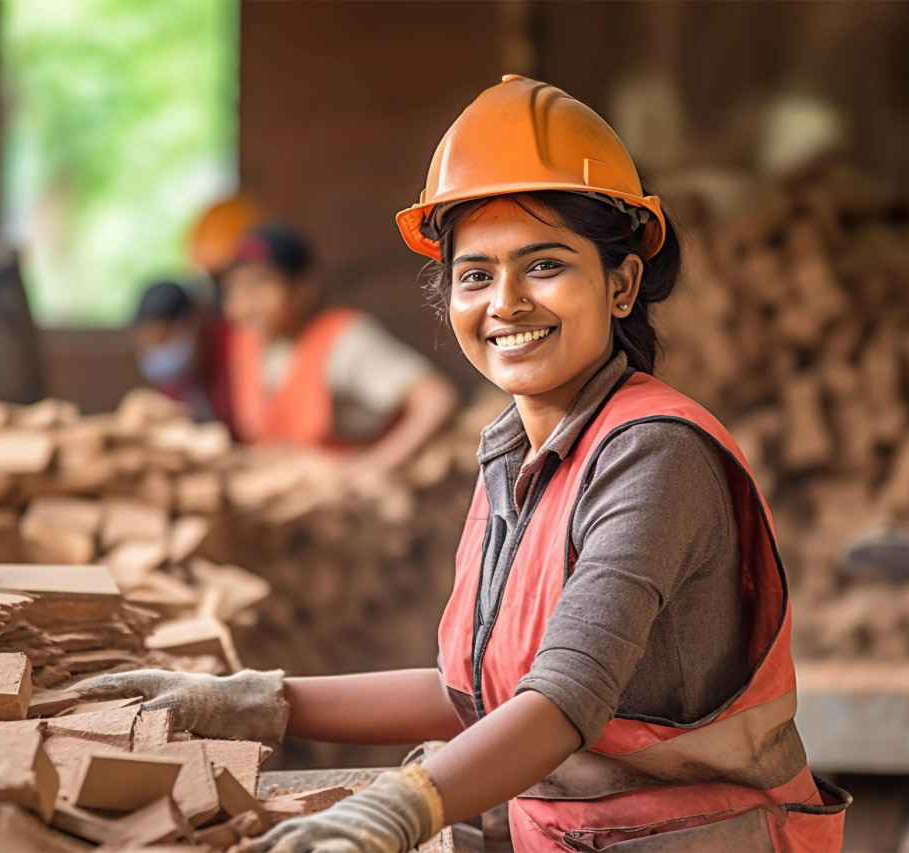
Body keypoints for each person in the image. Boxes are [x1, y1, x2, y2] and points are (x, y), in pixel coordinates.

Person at [76, 76, 851, 851]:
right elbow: (477, 695)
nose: (504, 302)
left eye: (544, 265)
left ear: (622, 284)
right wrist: (248, 699)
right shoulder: (518, 451)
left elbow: (557, 702)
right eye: (475, 274)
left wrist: (396, 808)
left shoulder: (655, 453)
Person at [219, 224, 459, 475]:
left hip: (345, 499)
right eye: (234, 289)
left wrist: (372, 468)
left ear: (304, 287)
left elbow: (436, 400)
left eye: (260, 285)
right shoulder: (247, 343)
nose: (244, 302)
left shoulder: (344, 339)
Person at [130, 280, 231, 424]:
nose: (158, 352)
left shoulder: (230, 353)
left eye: (163, 339)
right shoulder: (174, 381)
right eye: (149, 344)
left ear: (195, 323)